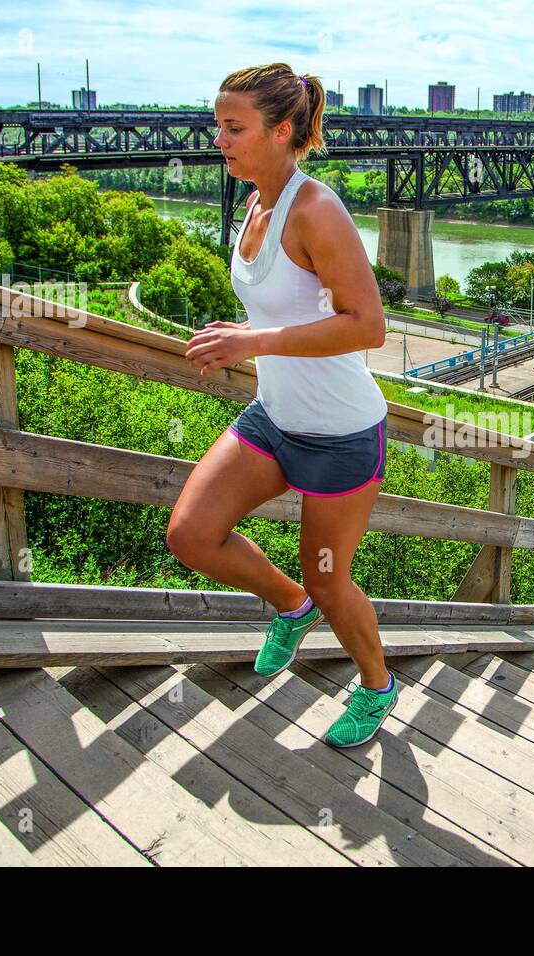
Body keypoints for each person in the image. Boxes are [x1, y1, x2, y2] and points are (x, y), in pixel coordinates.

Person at [167, 63, 398, 749]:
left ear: (283, 130)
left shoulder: (317, 211)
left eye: (234, 128)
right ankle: (287, 606)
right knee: (190, 534)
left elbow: (369, 326)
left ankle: (377, 686)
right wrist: (246, 342)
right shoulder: (255, 202)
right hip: (274, 417)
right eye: (219, 126)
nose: (220, 140)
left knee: (331, 580)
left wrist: (253, 340)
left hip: (340, 434)